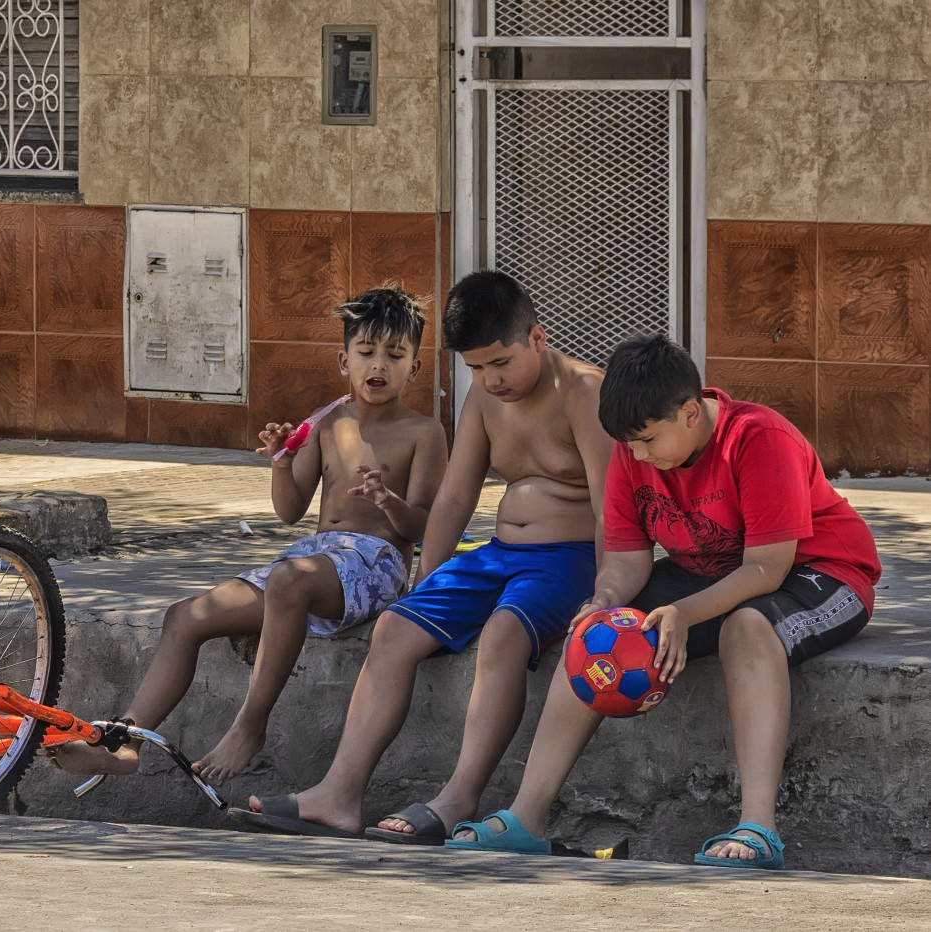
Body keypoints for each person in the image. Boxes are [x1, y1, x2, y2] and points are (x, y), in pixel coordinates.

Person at [447, 333, 881, 869]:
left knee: (744, 628)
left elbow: (767, 568)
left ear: (690, 414)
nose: (637, 456)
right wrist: (603, 598)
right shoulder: (636, 451)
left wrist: (686, 612)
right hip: (712, 570)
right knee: (598, 628)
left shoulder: (759, 438)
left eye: (648, 441)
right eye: (630, 445)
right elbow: (627, 562)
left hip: (821, 573)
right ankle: (526, 818)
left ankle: (759, 828)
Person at [228, 269, 613, 841]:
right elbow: (458, 494)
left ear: (536, 337)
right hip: (500, 551)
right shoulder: (485, 396)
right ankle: (339, 793)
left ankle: (457, 799)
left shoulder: (584, 392)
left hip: (569, 557)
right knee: (394, 629)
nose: (490, 379)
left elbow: (614, 504)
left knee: (505, 633)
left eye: (500, 363)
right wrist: (428, 576)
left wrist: (608, 593)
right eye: (476, 367)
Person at [48, 285, 447, 782]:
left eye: (395, 354)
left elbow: (429, 523)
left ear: (416, 366)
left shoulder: (424, 432)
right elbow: (289, 510)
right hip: (315, 559)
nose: (379, 365)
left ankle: (249, 726)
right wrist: (281, 462)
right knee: (184, 616)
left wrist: (389, 500)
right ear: (343, 362)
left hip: (375, 564)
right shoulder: (328, 422)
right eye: (366, 352)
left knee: (288, 580)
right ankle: (124, 742)